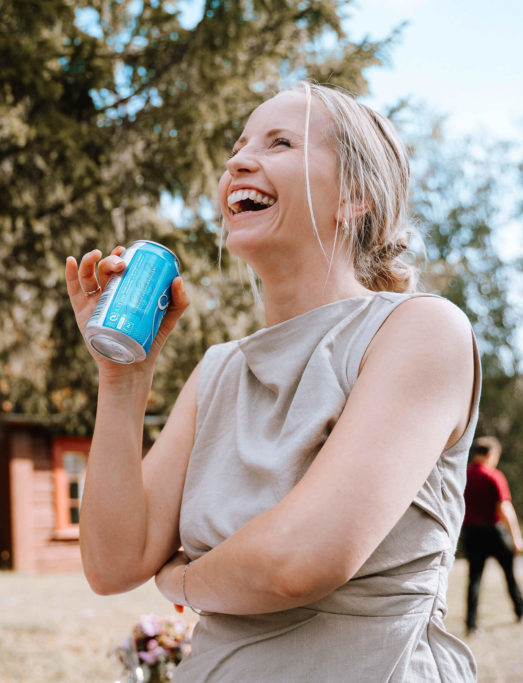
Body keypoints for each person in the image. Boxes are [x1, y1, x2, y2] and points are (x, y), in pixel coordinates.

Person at [66, 82, 480, 680]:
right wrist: (123, 379)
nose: (237, 161)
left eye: (280, 142)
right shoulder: (218, 371)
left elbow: (299, 559)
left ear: (355, 197)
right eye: (237, 147)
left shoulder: (421, 331)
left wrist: (184, 580)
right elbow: (112, 563)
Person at [462, 435, 523, 634]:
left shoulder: (463, 476)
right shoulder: (494, 476)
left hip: (471, 533)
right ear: (491, 455)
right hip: (493, 532)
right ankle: (520, 612)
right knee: (509, 574)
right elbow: (505, 508)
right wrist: (516, 538)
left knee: (474, 578)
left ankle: (471, 625)